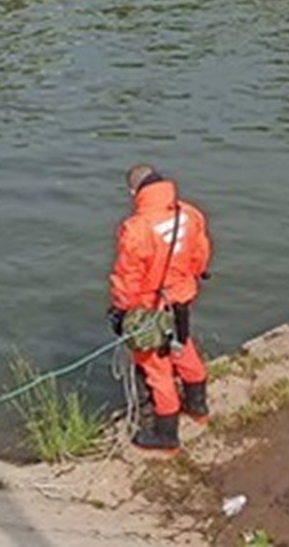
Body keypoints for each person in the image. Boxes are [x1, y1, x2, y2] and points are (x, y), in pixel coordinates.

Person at [108, 164, 212, 452]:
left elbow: (127, 278)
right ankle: (198, 407)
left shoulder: (135, 229)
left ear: (133, 192)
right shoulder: (189, 213)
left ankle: (166, 435)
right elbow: (200, 255)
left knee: (155, 366)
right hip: (182, 298)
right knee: (183, 345)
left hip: (149, 307)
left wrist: (122, 311)